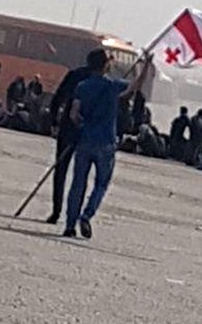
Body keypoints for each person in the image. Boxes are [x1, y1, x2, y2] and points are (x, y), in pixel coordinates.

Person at [63, 51, 152, 239]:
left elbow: (74, 114)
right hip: (106, 141)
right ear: (105, 65)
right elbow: (135, 87)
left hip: (85, 140)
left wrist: (81, 125)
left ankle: (70, 225)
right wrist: (144, 66)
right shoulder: (112, 86)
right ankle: (87, 215)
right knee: (101, 183)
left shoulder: (82, 86)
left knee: (78, 183)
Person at [46, 54, 98, 224]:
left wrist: (54, 121)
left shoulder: (74, 75)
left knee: (60, 170)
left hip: (67, 127)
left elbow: (58, 98)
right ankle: (73, 215)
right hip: (88, 132)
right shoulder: (102, 82)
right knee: (81, 176)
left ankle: (56, 211)